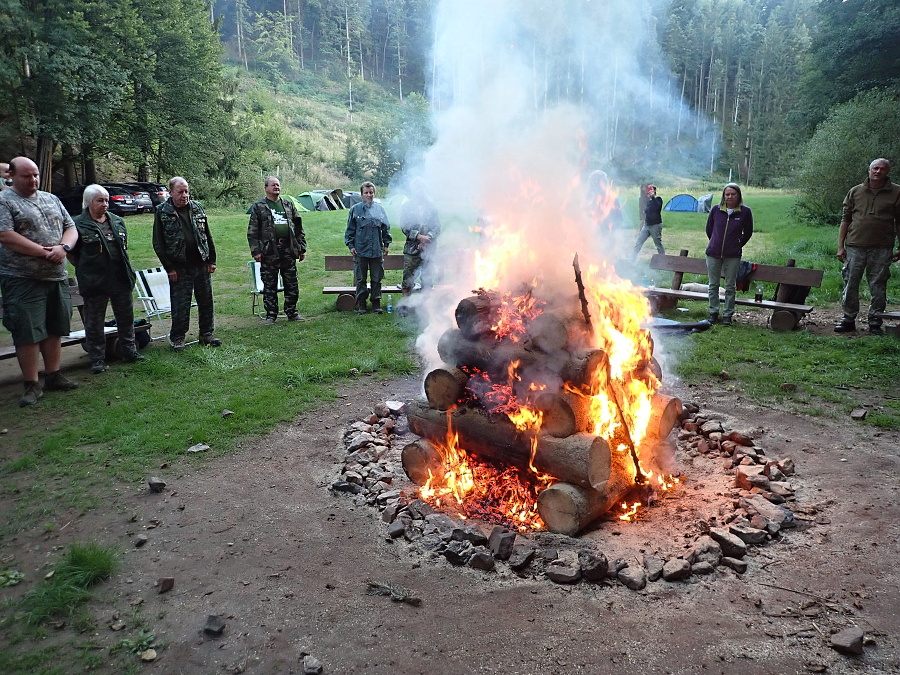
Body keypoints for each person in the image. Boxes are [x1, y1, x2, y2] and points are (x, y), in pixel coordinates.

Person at [0, 156, 80, 406]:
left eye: (35, 174)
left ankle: (53, 375)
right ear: (11, 175)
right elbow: (5, 235)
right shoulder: (4, 201)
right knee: (28, 332)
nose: (33, 179)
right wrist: (45, 252)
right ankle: (31, 383)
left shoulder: (51, 198)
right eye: (27, 175)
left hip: (55, 276)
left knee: (54, 327)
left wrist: (63, 247)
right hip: (23, 278)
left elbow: (71, 226)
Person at [71, 184, 144, 373]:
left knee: (126, 317)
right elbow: (72, 253)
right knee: (94, 322)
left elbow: (123, 248)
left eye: (106, 200)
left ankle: (129, 351)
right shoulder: (77, 224)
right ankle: (97, 359)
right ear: (88, 203)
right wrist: (85, 267)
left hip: (120, 277)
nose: (105, 204)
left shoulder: (117, 221)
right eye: (100, 200)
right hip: (95, 280)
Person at [152, 176, 222, 350]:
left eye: (186, 191)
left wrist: (211, 259)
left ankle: (207, 334)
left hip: (200, 263)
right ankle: (178, 337)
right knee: (180, 304)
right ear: (171, 192)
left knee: (206, 301)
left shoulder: (197, 208)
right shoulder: (162, 211)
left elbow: (207, 235)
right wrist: (169, 268)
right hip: (179, 267)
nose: (184, 195)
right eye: (180, 192)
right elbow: (158, 243)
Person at [834, 158, 900, 335]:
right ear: (869, 170)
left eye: (882, 169)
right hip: (855, 245)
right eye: (875, 168)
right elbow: (845, 219)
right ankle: (848, 319)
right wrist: (840, 246)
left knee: (878, 285)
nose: (878, 171)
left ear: (887, 172)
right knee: (850, 283)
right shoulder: (855, 191)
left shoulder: (896, 192)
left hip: (882, 247)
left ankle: (875, 321)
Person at [247, 176, 307, 324]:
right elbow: (252, 232)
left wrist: (301, 247)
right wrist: (256, 251)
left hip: (288, 249)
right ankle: (271, 315)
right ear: (266, 188)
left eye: (278, 185)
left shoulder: (288, 204)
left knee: (291, 282)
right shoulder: (259, 206)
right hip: (269, 251)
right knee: (269, 283)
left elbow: (298, 227)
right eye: (273, 185)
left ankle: (292, 312)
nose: (276, 187)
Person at [705, 183, 753, 326]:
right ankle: (713, 313)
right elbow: (709, 229)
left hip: (732, 255)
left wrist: (737, 245)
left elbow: (748, 232)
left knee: (730, 286)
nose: (730, 197)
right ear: (723, 196)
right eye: (727, 194)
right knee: (713, 285)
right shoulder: (716, 210)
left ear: (738, 196)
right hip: (713, 253)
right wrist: (715, 242)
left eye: (733, 194)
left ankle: (727, 315)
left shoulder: (745, 212)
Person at [344, 181, 392, 314]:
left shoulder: (379, 210)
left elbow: (385, 228)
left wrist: (386, 245)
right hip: (360, 250)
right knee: (361, 279)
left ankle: (376, 303)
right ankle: (362, 304)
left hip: (376, 250)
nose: (369, 195)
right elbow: (350, 230)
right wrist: (351, 245)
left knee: (377, 278)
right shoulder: (355, 210)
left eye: (371, 192)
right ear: (361, 194)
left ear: (374, 194)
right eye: (366, 193)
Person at [400, 178, 441, 298]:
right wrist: (418, 236)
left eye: (422, 188)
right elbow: (404, 226)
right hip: (412, 250)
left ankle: (426, 308)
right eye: (417, 188)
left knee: (427, 279)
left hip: (429, 248)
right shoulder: (407, 207)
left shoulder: (432, 207)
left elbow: (437, 227)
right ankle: (405, 305)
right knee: (408, 279)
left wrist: (428, 238)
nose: (420, 191)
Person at [631, 184, 665, 258]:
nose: (649, 193)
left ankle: (663, 259)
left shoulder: (658, 199)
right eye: (648, 191)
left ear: (654, 191)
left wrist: (653, 197)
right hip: (647, 225)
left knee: (657, 244)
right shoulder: (649, 202)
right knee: (639, 242)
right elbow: (646, 212)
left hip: (655, 225)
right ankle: (632, 258)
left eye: (651, 191)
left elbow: (657, 208)